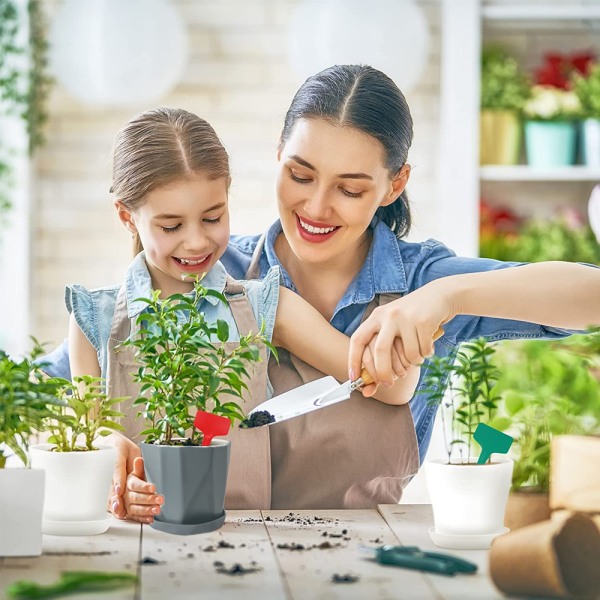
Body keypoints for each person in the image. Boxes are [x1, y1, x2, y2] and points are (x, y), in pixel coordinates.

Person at [44, 65, 600, 521]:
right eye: (301, 175)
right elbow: (54, 391)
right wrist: (97, 451)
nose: (315, 208)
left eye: (351, 189)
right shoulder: (210, 267)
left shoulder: (420, 282)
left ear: (394, 185)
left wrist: (446, 296)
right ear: (277, 153)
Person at [66, 106, 419, 524]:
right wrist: (110, 452)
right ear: (127, 216)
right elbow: (84, 436)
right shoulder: (94, 319)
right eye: (171, 226)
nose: (196, 241)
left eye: (212, 218)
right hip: (134, 545)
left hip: (251, 544)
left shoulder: (266, 306)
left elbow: (393, 390)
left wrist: (400, 342)